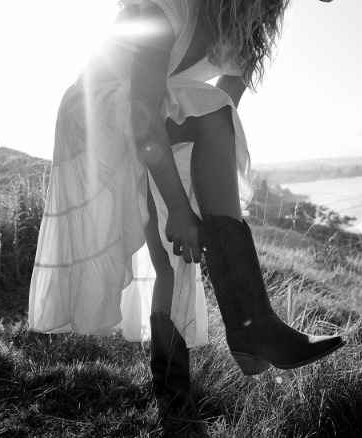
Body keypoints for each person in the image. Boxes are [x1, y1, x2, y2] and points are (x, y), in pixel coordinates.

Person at [29, 0, 344, 424]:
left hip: (156, 115)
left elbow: (224, 114)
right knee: (201, 140)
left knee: (172, 262)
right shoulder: (164, 9)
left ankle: (174, 397)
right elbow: (157, 115)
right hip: (97, 114)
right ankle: (252, 328)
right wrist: (178, 205)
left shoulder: (240, 32)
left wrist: (203, 189)